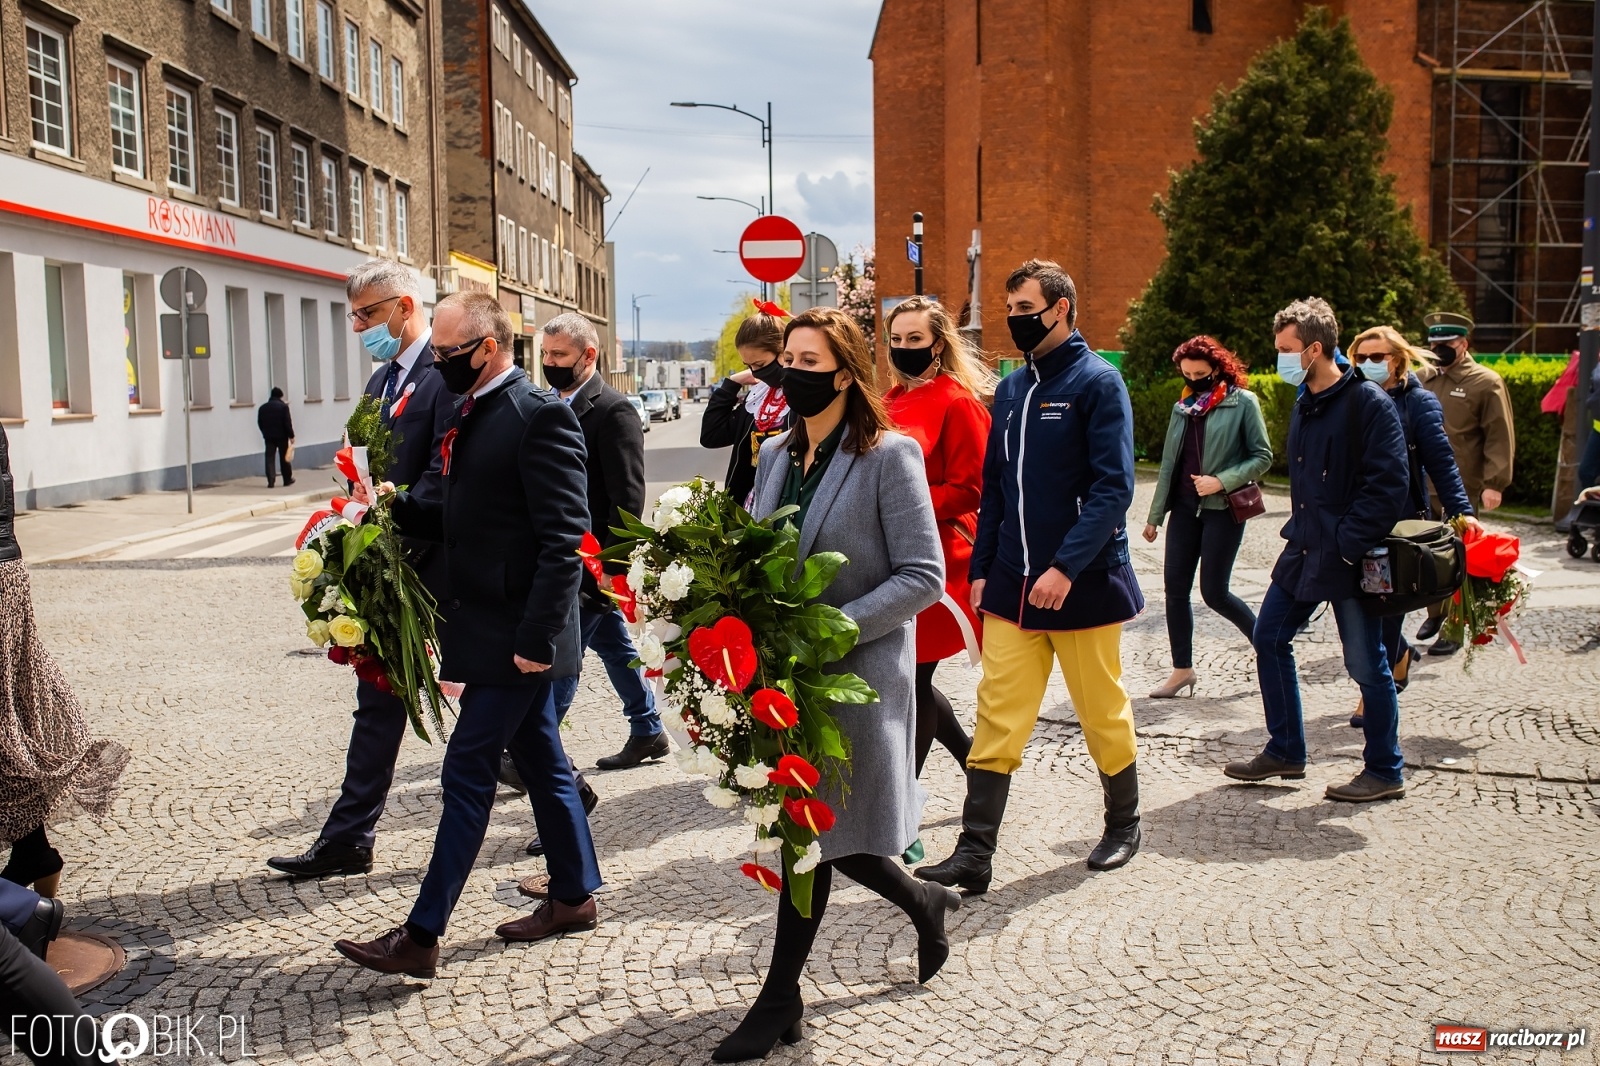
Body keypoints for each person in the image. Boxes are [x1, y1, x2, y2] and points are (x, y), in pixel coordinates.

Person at [333, 292, 600, 978]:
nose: (440, 364)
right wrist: (382, 514)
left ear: (490, 347)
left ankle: (420, 936)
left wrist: (538, 639)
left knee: (467, 773)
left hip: (518, 637)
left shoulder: (538, 416)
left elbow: (563, 540)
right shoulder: (466, 407)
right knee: (539, 758)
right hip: (480, 625)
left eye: (450, 354)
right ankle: (572, 895)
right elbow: (446, 505)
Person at [722, 306, 951, 1062]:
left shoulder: (890, 456)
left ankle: (779, 998)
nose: (790, 371)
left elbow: (924, 576)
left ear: (847, 374)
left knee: (810, 835)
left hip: (853, 674)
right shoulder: (778, 455)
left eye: (809, 360)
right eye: (786, 357)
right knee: (817, 835)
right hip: (784, 679)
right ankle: (925, 902)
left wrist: (836, 628)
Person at [918, 259, 1146, 895]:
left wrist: (1065, 567)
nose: (1017, 319)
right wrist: (985, 570)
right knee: (998, 713)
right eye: (1011, 308)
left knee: (1100, 708)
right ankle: (974, 852)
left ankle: (1124, 822)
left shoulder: (1099, 383)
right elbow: (994, 489)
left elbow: (1113, 490)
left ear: (1062, 308)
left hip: (1083, 584)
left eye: (1027, 308)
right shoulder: (1014, 390)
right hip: (1014, 585)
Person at [268, 261, 455, 880]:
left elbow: (443, 472)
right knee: (379, 697)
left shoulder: (441, 374)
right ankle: (350, 837)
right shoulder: (381, 380)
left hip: (438, 567)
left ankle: (564, 797)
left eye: (368, 314)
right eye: (354, 315)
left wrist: (389, 511)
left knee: (499, 707)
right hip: (389, 565)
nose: (359, 327)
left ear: (405, 307)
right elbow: (363, 458)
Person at [1223, 298, 1410, 802]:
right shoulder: (1304, 399)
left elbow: (1389, 487)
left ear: (1313, 349)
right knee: (1269, 637)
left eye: (1286, 350)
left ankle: (1385, 771)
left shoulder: (1368, 403)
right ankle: (1286, 750)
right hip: (1305, 548)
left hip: (1351, 556)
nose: (1279, 359)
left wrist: (1348, 546)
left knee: (1367, 665)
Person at [882, 296, 990, 864]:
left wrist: (903, 504)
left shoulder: (959, 402)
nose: (902, 350)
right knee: (913, 680)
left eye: (913, 340)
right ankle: (976, 762)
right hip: (892, 555)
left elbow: (972, 489)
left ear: (939, 342)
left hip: (940, 562)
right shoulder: (892, 398)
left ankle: (903, 813)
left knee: (911, 682)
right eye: (895, 340)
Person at [0, 425, 128, 901]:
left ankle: (33, 855)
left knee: (10, 724)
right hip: (6, 572)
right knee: (13, 714)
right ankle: (33, 853)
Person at [541, 312, 665, 771]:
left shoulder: (614, 410)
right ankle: (648, 728)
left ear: (588, 355)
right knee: (613, 645)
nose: (550, 363)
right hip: (559, 553)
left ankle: (535, 747)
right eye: (546, 354)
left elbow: (628, 496)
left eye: (560, 355)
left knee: (562, 657)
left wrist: (612, 568)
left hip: (592, 563)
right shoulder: (546, 401)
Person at [1347, 325, 1476, 729]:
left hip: (1399, 528)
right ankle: (1399, 657)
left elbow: (1441, 462)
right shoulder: (1348, 400)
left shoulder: (1419, 403)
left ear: (1397, 360)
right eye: (1361, 357)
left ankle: (1373, 696)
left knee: (1383, 611)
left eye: (1377, 357)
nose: (1368, 364)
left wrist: (1461, 511)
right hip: (1352, 522)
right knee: (1357, 608)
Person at [1142, 336, 1273, 698]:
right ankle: (1182, 669)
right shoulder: (1182, 407)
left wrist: (1221, 481)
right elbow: (1169, 465)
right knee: (1174, 591)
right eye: (1187, 373)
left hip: (1223, 510)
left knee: (1215, 592)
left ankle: (1268, 644)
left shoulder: (1243, 402)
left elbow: (1263, 457)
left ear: (1216, 368)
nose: (1194, 379)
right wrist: (1154, 517)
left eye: (1200, 373)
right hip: (1184, 509)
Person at [1415, 311, 1514, 657]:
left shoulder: (1485, 382)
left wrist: (1495, 482)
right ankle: (1436, 612)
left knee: (1457, 560)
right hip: (1421, 485)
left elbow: (1499, 435)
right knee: (1426, 559)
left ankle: (1454, 628)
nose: (1438, 350)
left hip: (1462, 486)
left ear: (1463, 345)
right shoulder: (1421, 379)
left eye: (1445, 345)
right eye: (1433, 344)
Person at [702, 302, 792, 508]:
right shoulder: (757, 398)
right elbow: (711, 435)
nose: (756, 371)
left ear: (782, 352)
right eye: (749, 366)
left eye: (759, 365)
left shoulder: (803, 397)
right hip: (750, 504)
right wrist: (731, 384)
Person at [256, 387, 294, 488]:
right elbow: (287, 423)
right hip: (282, 437)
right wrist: (291, 436)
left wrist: (264, 432)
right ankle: (287, 479)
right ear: (280, 396)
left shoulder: (263, 408)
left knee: (269, 458)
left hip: (268, 437)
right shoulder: (283, 407)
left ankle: (271, 481)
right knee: (284, 458)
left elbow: (260, 423)